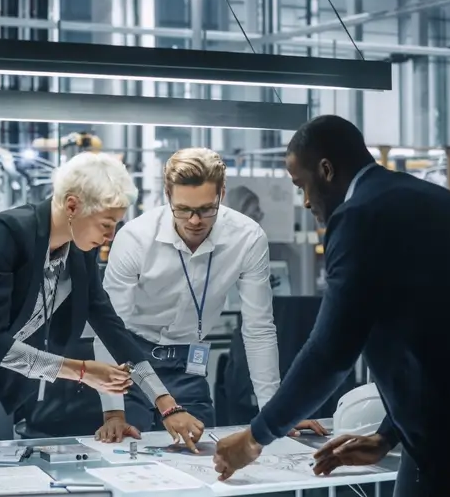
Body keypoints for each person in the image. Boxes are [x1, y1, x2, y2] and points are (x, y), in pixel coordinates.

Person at [213, 115, 450, 496]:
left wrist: (256, 437)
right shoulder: (419, 198)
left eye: (302, 186)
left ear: (326, 170)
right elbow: (441, 328)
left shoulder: (359, 216)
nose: (306, 201)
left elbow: (330, 351)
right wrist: (388, 435)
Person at [0, 152, 202, 447]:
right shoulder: (5, 233)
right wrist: (83, 371)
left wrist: (167, 404)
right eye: (106, 223)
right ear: (72, 206)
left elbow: (110, 326)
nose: (110, 235)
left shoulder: (78, 251)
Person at [93, 148, 324, 443]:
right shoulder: (135, 238)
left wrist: (277, 412)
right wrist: (113, 413)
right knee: (129, 454)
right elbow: (110, 331)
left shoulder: (247, 238)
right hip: (131, 366)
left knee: (201, 458)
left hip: (190, 365)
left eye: (206, 209)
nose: (194, 220)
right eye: (183, 209)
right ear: (168, 196)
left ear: (222, 194)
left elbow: (258, 329)